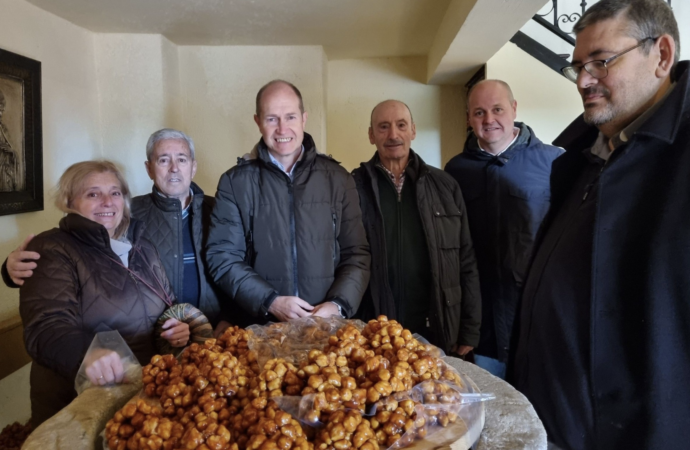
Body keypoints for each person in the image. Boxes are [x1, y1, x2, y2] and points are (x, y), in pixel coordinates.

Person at [510, 1, 687, 448]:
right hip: (553, 421)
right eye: (577, 67)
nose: (584, 80)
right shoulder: (583, 155)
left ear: (661, 55)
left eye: (601, 62)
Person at [3, 129, 232, 334]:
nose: (174, 168)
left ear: (193, 167)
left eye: (181, 159)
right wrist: (10, 269)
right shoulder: (126, 213)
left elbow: (239, 266)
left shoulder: (221, 211)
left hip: (217, 328)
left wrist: (229, 317)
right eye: (163, 160)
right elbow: (75, 248)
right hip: (159, 337)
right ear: (149, 168)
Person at [19, 161, 189, 426]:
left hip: (142, 395)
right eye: (93, 194)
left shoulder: (141, 244)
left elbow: (168, 304)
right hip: (78, 403)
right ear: (69, 201)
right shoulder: (52, 248)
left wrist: (177, 329)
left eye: (116, 193)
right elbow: (45, 327)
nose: (108, 202)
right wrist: (86, 353)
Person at [206, 80, 370, 322]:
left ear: (304, 119)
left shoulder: (339, 179)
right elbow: (222, 256)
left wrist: (338, 305)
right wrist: (268, 301)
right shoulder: (234, 182)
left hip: (326, 327)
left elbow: (357, 254)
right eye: (272, 119)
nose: (282, 129)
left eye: (290, 117)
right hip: (260, 327)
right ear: (258, 121)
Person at [444, 80, 563, 378]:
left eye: (497, 109)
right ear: (470, 118)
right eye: (479, 112)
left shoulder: (555, 162)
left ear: (513, 108)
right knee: (494, 409)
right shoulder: (455, 171)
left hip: (538, 319)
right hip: (482, 326)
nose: (489, 120)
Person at [352, 99, 481, 354]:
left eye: (401, 125)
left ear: (413, 130)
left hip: (435, 328)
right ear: (371, 135)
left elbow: (465, 259)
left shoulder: (445, 186)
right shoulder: (352, 187)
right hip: (373, 331)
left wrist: (469, 328)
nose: (393, 134)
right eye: (383, 127)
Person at [0, 89, 19, 192]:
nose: (0, 114)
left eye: (2, 110)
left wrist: (12, 152)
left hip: (4, 173)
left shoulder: (4, 129)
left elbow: (13, 153)